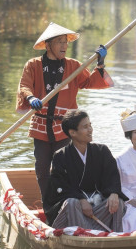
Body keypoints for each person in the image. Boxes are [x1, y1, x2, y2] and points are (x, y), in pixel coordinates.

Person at [16, 22, 113, 198]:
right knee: (42, 169)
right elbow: (24, 85)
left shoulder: (73, 66)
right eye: (59, 41)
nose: (64, 46)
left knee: (66, 168)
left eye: (66, 42)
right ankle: (48, 205)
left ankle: (67, 203)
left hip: (65, 127)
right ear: (48, 45)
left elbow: (89, 82)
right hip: (41, 126)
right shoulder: (33, 65)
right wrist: (31, 98)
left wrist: (100, 65)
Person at [43, 109, 128, 231]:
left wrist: (114, 193)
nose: (90, 130)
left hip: (96, 208)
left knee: (117, 202)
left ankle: (114, 236)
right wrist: (81, 199)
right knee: (72, 203)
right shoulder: (60, 156)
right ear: (72, 132)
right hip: (74, 211)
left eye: (90, 125)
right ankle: (87, 235)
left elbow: (112, 177)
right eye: (85, 127)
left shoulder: (102, 151)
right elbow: (60, 187)